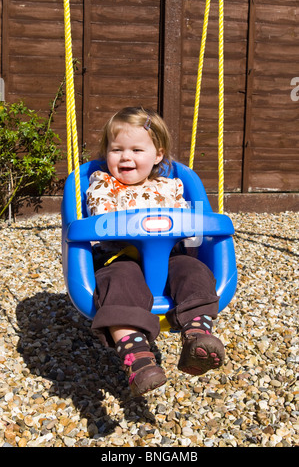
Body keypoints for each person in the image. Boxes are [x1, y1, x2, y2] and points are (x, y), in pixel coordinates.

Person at [86, 107, 225, 397]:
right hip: (120, 256)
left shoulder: (173, 186)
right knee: (119, 281)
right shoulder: (102, 183)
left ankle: (197, 335)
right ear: (106, 153)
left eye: (137, 149)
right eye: (117, 149)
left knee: (194, 271)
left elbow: (192, 224)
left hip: (170, 255)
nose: (126, 157)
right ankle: (136, 358)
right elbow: (100, 215)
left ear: (158, 155)